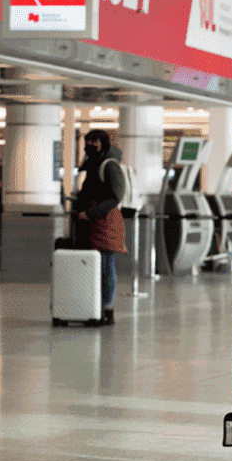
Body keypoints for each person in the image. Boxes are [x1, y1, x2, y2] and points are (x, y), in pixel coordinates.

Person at [72, 130, 127, 325]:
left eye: (94, 141)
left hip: (104, 221)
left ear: (103, 143)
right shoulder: (91, 164)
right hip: (89, 221)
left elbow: (115, 197)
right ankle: (94, 308)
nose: (89, 144)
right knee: (93, 267)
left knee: (105, 266)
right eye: (87, 141)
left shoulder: (109, 165)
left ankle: (107, 309)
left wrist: (91, 212)